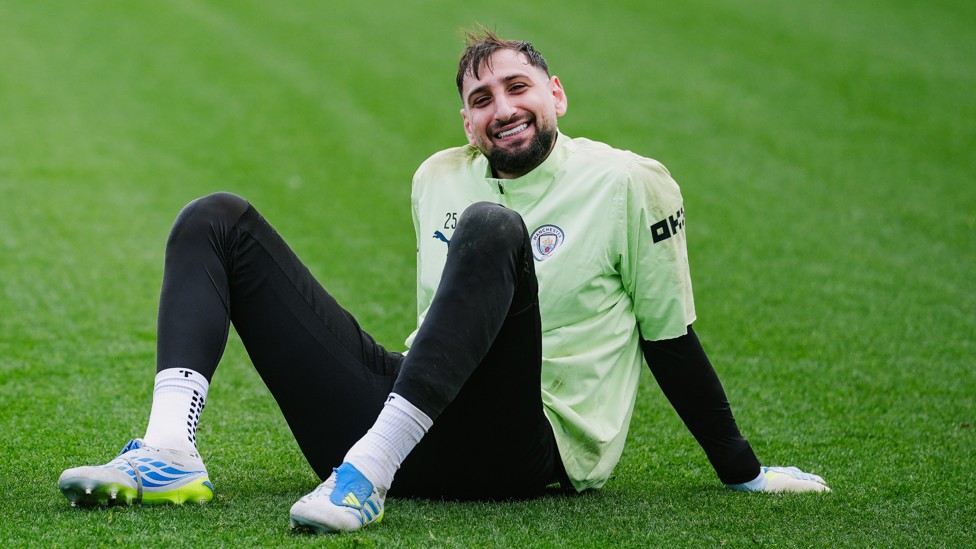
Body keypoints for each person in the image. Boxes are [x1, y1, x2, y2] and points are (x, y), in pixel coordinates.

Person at [58, 28, 830, 534]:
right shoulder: (438, 177)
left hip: (531, 450)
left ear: (555, 93)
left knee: (493, 230)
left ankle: (364, 475)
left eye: (519, 87)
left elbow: (670, 337)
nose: (504, 108)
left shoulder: (629, 182)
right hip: (415, 426)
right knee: (216, 217)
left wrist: (745, 471)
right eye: (481, 99)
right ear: (466, 122)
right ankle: (170, 450)